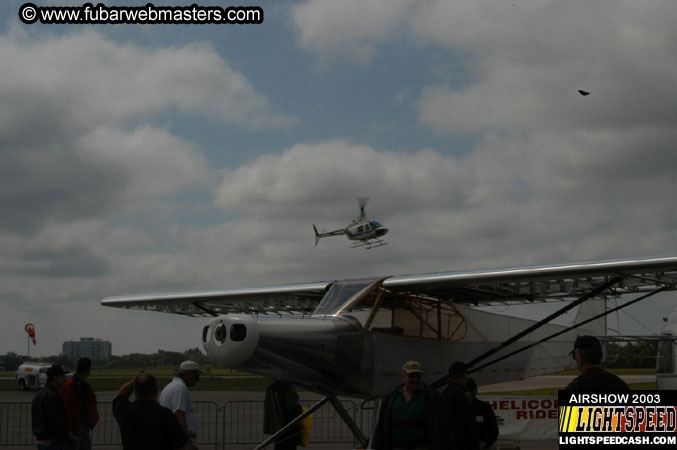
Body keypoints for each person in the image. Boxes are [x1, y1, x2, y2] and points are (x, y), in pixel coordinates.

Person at [372, 361, 452, 450]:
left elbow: (445, 427)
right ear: (403, 377)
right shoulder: (390, 398)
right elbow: (381, 427)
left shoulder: (433, 397)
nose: (415, 380)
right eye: (411, 376)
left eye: (418, 376)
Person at [112, 373, 187, 450]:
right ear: (156, 392)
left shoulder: (124, 411)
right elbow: (181, 443)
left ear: (135, 392)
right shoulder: (166, 415)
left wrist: (135, 381)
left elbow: (119, 397)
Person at [159, 360, 202, 450]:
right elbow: (179, 414)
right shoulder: (180, 388)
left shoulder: (172, 386)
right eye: (197, 376)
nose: (197, 380)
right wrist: (187, 442)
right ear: (189, 375)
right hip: (178, 441)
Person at [566, 335, 630, 393]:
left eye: (574, 356)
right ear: (601, 357)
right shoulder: (619, 384)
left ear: (579, 358)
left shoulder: (575, 387)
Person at [32, 365, 75, 450]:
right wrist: (67, 433)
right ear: (55, 377)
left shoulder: (39, 394)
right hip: (53, 441)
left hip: (42, 439)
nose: (65, 380)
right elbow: (56, 420)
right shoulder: (52, 396)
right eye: (62, 377)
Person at [61, 358, 99, 450]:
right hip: (75, 427)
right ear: (87, 370)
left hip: (82, 425)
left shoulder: (82, 385)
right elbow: (66, 409)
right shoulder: (72, 385)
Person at [442, 362, 479, 450]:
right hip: (463, 442)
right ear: (462, 375)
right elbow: (467, 421)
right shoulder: (463, 394)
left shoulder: (444, 392)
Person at [263, 381, 303, 450]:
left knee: (278, 444)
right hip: (289, 424)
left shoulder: (271, 387)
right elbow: (293, 407)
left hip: (277, 424)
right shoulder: (286, 388)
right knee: (289, 445)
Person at [465, 379, 498, 450]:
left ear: (475, 390)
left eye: (470, 391)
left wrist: (485, 443)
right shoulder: (459, 408)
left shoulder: (484, 407)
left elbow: (494, 431)